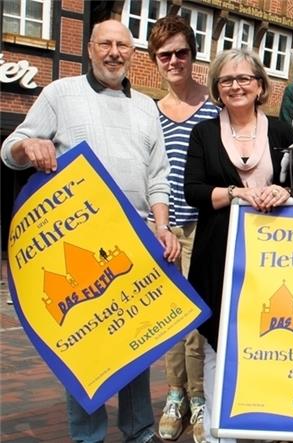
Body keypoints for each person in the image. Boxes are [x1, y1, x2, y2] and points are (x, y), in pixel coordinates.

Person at [0, 19, 179, 443]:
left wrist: (162, 225)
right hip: (79, 241)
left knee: (137, 338)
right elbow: (10, 150)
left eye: (123, 45)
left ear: (132, 53)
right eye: (106, 44)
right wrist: (29, 146)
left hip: (134, 237)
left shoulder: (147, 108)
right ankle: (88, 436)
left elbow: (158, 175)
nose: (114, 52)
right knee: (86, 345)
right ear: (90, 49)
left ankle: (139, 431)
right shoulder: (59, 93)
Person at [183, 48, 293, 443]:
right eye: (227, 80)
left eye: (245, 78)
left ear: (261, 85)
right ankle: (220, 431)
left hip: (275, 257)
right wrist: (236, 193)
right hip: (218, 253)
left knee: (271, 336)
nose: (236, 86)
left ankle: (266, 426)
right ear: (217, 87)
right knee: (218, 340)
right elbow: (192, 190)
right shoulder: (203, 132)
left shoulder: (283, 131)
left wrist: (283, 192)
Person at [147, 15, 219, 443]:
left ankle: (199, 397)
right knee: (168, 318)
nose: (173, 61)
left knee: (195, 319)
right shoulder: (148, 110)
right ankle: (176, 394)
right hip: (160, 227)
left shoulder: (213, 108)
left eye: (181, 52)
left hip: (202, 225)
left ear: (192, 55)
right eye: (164, 55)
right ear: (155, 60)